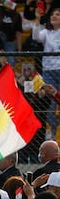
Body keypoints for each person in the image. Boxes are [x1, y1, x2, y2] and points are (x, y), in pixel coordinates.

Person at [32, 8, 60, 140]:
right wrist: (37, 18)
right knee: (51, 106)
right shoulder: (46, 32)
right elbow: (35, 36)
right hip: (49, 71)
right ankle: (51, 138)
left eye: (58, 15)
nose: (54, 16)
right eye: (53, 14)